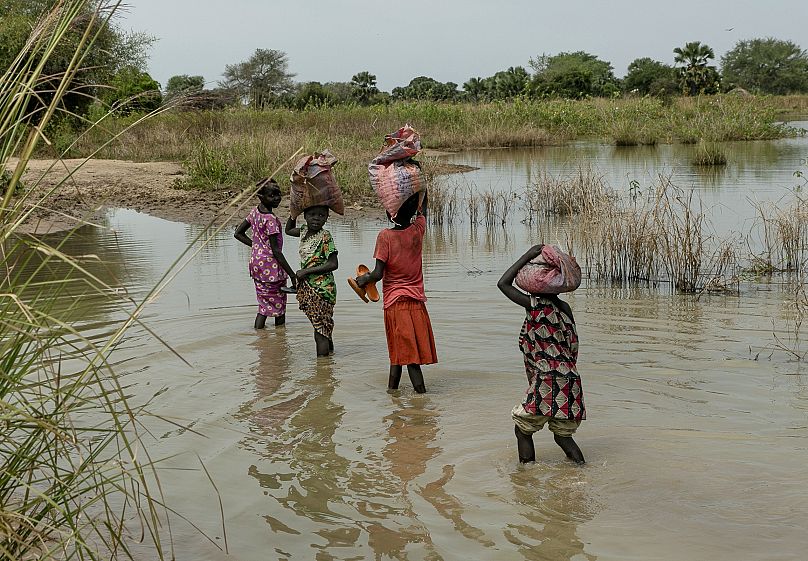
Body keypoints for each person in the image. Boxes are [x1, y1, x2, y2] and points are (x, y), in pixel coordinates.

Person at [497, 244, 586, 464]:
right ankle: (582, 471)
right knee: (563, 436)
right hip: (571, 379)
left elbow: (503, 283)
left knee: (522, 429)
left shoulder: (535, 305)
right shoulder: (565, 308)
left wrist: (527, 255)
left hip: (548, 377)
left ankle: (526, 476)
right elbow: (573, 346)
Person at [355, 193, 437, 393]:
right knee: (398, 355)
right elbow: (424, 209)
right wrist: (421, 190)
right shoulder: (418, 229)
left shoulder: (385, 236)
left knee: (409, 359)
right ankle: (393, 393)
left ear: (390, 212)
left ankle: (420, 400)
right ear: (413, 210)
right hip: (416, 304)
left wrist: (363, 280)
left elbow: (377, 274)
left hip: (396, 305)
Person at [234, 178, 296, 329]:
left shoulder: (254, 212)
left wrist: (257, 247)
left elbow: (238, 233)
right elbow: (276, 252)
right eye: (272, 195)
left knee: (263, 304)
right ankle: (280, 337)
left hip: (257, 265)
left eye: (278, 194)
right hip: (271, 267)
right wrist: (292, 275)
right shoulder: (271, 220)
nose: (277, 198)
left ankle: (260, 335)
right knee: (279, 305)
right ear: (260, 196)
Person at [285, 205, 339, 357]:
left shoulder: (325, 236)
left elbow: (333, 264)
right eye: (312, 214)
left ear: (327, 218)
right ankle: (329, 359)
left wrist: (306, 271)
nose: (316, 218)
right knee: (323, 328)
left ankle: (323, 367)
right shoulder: (303, 231)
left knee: (320, 332)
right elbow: (288, 230)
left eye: (321, 215)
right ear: (305, 216)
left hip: (322, 289)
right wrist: (293, 213)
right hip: (310, 286)